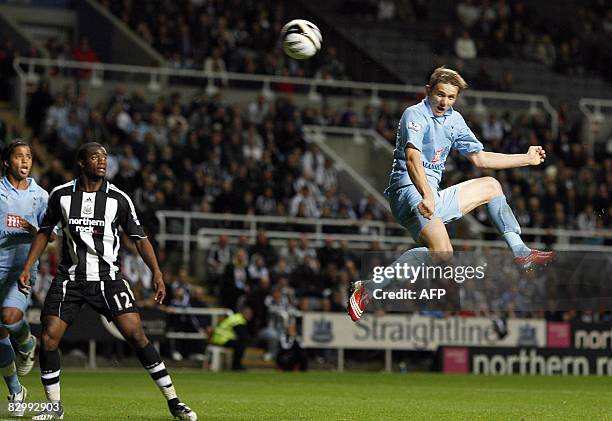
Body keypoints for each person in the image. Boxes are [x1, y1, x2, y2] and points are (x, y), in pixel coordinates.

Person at [347, 67, 554, 321]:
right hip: (408, 190)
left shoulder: (454, 121)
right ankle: (368, 290)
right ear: (428, 91)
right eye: (440, 95)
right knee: (443, 250)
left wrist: (527, 159)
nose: (444, 102)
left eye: (451, 97)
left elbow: (480, 157)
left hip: (430, 196)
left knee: (490, 186)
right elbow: (412, 159)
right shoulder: (415, 114)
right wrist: (427, 194)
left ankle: (520, 251)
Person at [18, 142, 197, 420]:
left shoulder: (118, 199)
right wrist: (28, 266)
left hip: (108, 279)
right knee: (49, 337)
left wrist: (157, 273)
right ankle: (54, 408)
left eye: (105, 157)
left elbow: (140, 238)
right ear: (81, 162)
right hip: (70, 279)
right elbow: (44, 232)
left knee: (137, 335)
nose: (102, 161)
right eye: (95, 157)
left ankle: (175, 401)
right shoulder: (61, 195)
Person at [0, 140, 54, 415]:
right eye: (19, 156)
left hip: (21, 267)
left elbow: (52, 236)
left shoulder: (41, 196)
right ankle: (16, 391)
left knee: (9, 317)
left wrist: (32, 229)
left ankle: (27, 343)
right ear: (6, 162)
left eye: (29, 157)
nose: (25, 161)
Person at [208, 306, 253, 371]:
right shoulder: (238, 320)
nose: (250, 316)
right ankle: (236, 366)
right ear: (244, 313)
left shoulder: (237, 318)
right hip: (221, 339)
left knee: (240, 343)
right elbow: (242, 335)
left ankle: (236, 365)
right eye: (249, 314)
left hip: (220, 338)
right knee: (241, 345)